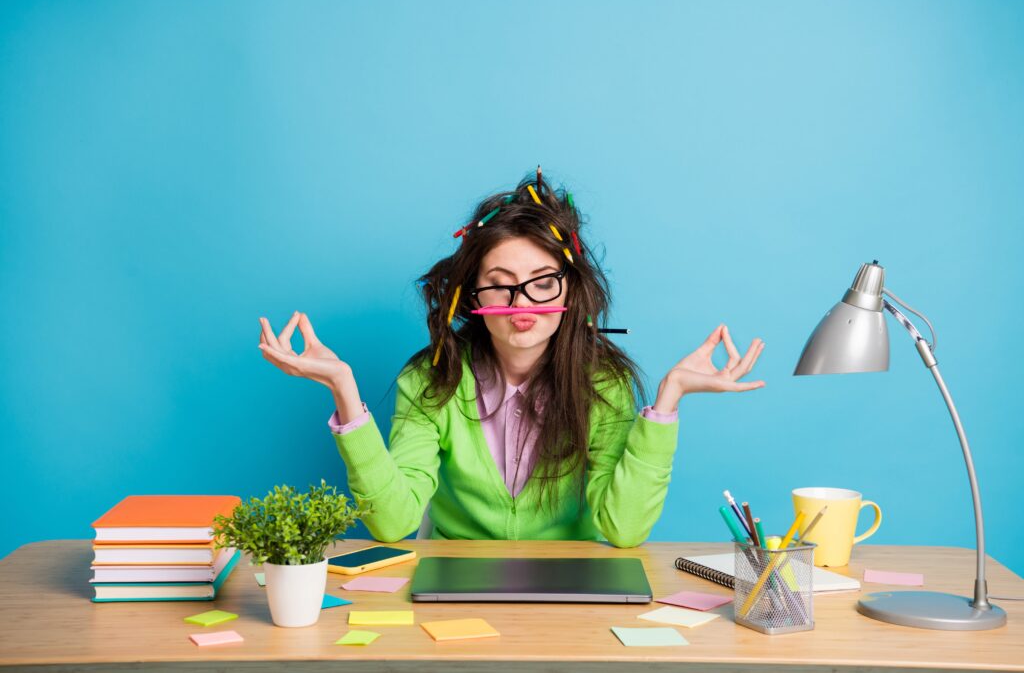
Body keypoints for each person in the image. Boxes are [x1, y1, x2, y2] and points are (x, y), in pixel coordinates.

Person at [257, 172, 765, 547]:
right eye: (500, 286)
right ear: (471, 297)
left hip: (572, 588)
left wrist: (668, 403)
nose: (522, 305)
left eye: (543, 284)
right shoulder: (431, 379)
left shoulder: (603, 383)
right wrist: (345, 391)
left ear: (572, 291)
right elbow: (392, 524)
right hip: (455, 587)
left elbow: (624, 530)